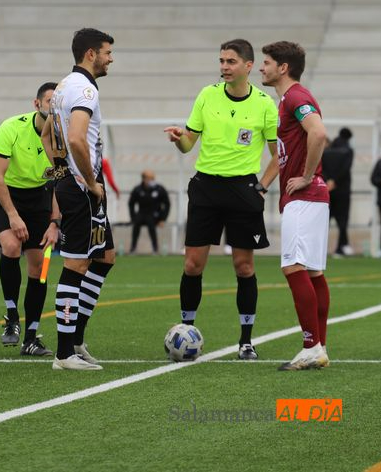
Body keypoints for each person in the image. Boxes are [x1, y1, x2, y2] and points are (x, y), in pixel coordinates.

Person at [163, 39, 279, 360]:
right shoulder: (207, 95)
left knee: (243, 267)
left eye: (231, 61)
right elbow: (189, 145)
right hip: (206, 189)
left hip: (244, 191)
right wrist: (179, 139)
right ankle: (187, 331)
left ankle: (246, 341)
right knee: (192, 264)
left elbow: (277, 155)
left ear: (248, 66)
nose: (224, 67)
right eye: (222, 61)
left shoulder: (265, 105)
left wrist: (263, 186)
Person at [41, 27, 118, 371]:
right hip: (83, 189)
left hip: (75, 184)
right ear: (91, 54)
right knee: (76, 264)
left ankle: (76, 340)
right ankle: (63, 354)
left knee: (105, 257)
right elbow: (75, 139)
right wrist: (88, 180)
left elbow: (46, 133)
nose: (110, 59)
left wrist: (58, 167)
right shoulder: (84, 89)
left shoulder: (61, 88)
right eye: (107, 52)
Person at [260, 41, 332, 371]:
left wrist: (305, 176)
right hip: (311, 199)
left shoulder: (295, 98)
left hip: (305, 197)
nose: (262, 68)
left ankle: (310, 345)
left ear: (283, 67)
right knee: (312, 271)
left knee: (293, 267)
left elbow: (318, 134)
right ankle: (318, 346)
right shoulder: (287, 101)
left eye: (267, 62)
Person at [0, 82, 61, 357]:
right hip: (5, 195)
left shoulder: (61, 138)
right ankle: (12, 316)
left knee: (40, 265)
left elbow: (57, 184)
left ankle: (31, 337)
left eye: (58, 101)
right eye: (50, 100)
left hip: (39, 197)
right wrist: (13, 216)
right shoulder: (11, 127)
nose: (54, 105)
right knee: (12, 246)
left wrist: (55, 222)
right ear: (37, 104)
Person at [322, 127, 354, 256]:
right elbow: (346, 169)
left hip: (326, 190)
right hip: (342, 190)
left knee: (324, 222)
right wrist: (335, 181)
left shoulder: (326, 151)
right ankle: (340, 248)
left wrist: (328, 181)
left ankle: (320, 249)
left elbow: (320, 168)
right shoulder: (348, 151)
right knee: (342, 221)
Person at [128, 170, 171, 254]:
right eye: (150, 178)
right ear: (144, 179)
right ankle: (133, 248)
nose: (152, 180)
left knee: (151, 225)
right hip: (141, 212)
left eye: (153, 178)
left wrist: (163, 219)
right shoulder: (137, 189)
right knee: (136, 224)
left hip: (154, 214)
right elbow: (131, 203)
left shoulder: (159, 189)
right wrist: (133, 217)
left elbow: (167, 204)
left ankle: (155, 249)